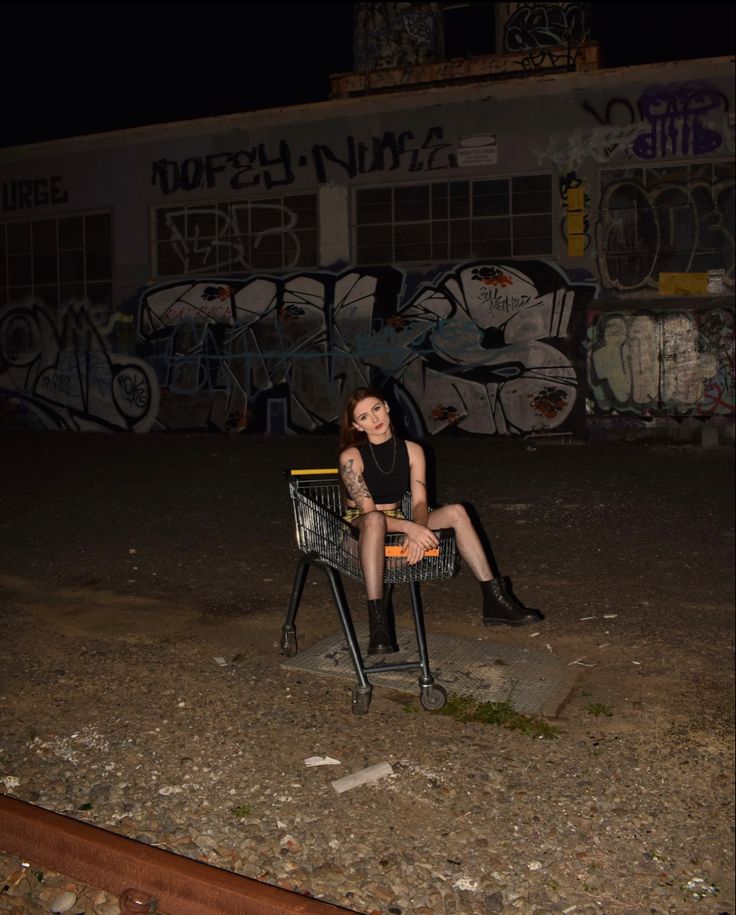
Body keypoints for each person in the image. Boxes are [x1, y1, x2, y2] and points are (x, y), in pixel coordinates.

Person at [338, 387, 543, 656]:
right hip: (360, 539)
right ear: (357, 426)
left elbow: (421, 502)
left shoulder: (413, 451)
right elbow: (367, 513)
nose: (374, 419)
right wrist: (412, 528)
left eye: (376, 409)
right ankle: (379, 625)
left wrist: (418, 529)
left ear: (387, 407)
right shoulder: (350, 458)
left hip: (398, 531)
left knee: (457, 511)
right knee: (376, 519)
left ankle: (495, 602)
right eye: (364, 417)